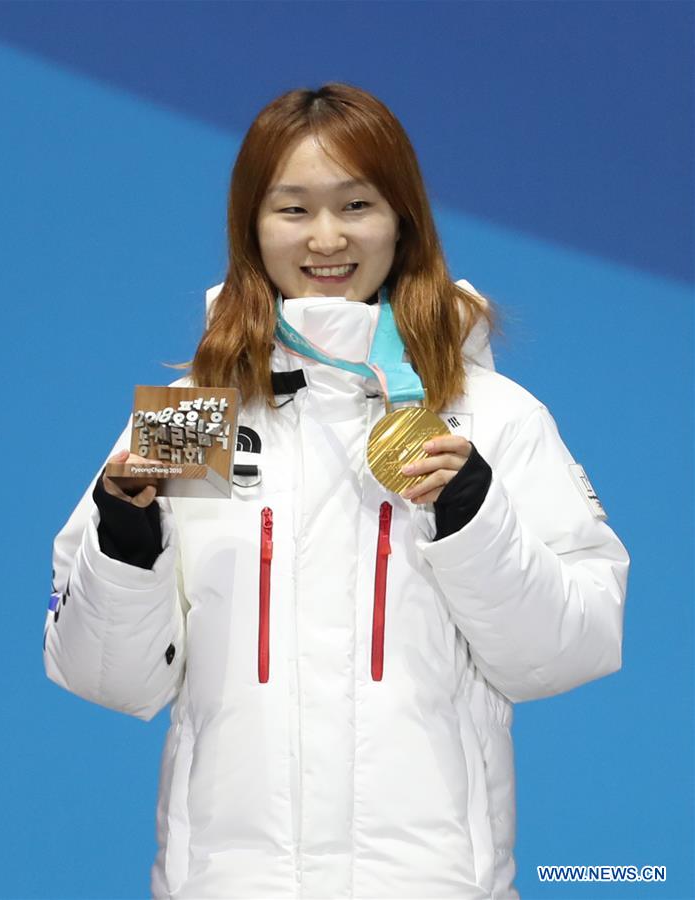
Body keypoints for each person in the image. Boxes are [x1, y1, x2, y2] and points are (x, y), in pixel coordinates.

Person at [44, 83, 629, 900]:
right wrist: (125, 536)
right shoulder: (192, 418)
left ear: (403, 221)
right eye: (293, 209)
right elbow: (110, 679)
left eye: (356, 204)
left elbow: (571, 649)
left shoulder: (486, 416)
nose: (327, 238)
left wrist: (472, 517)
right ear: (251, 228)